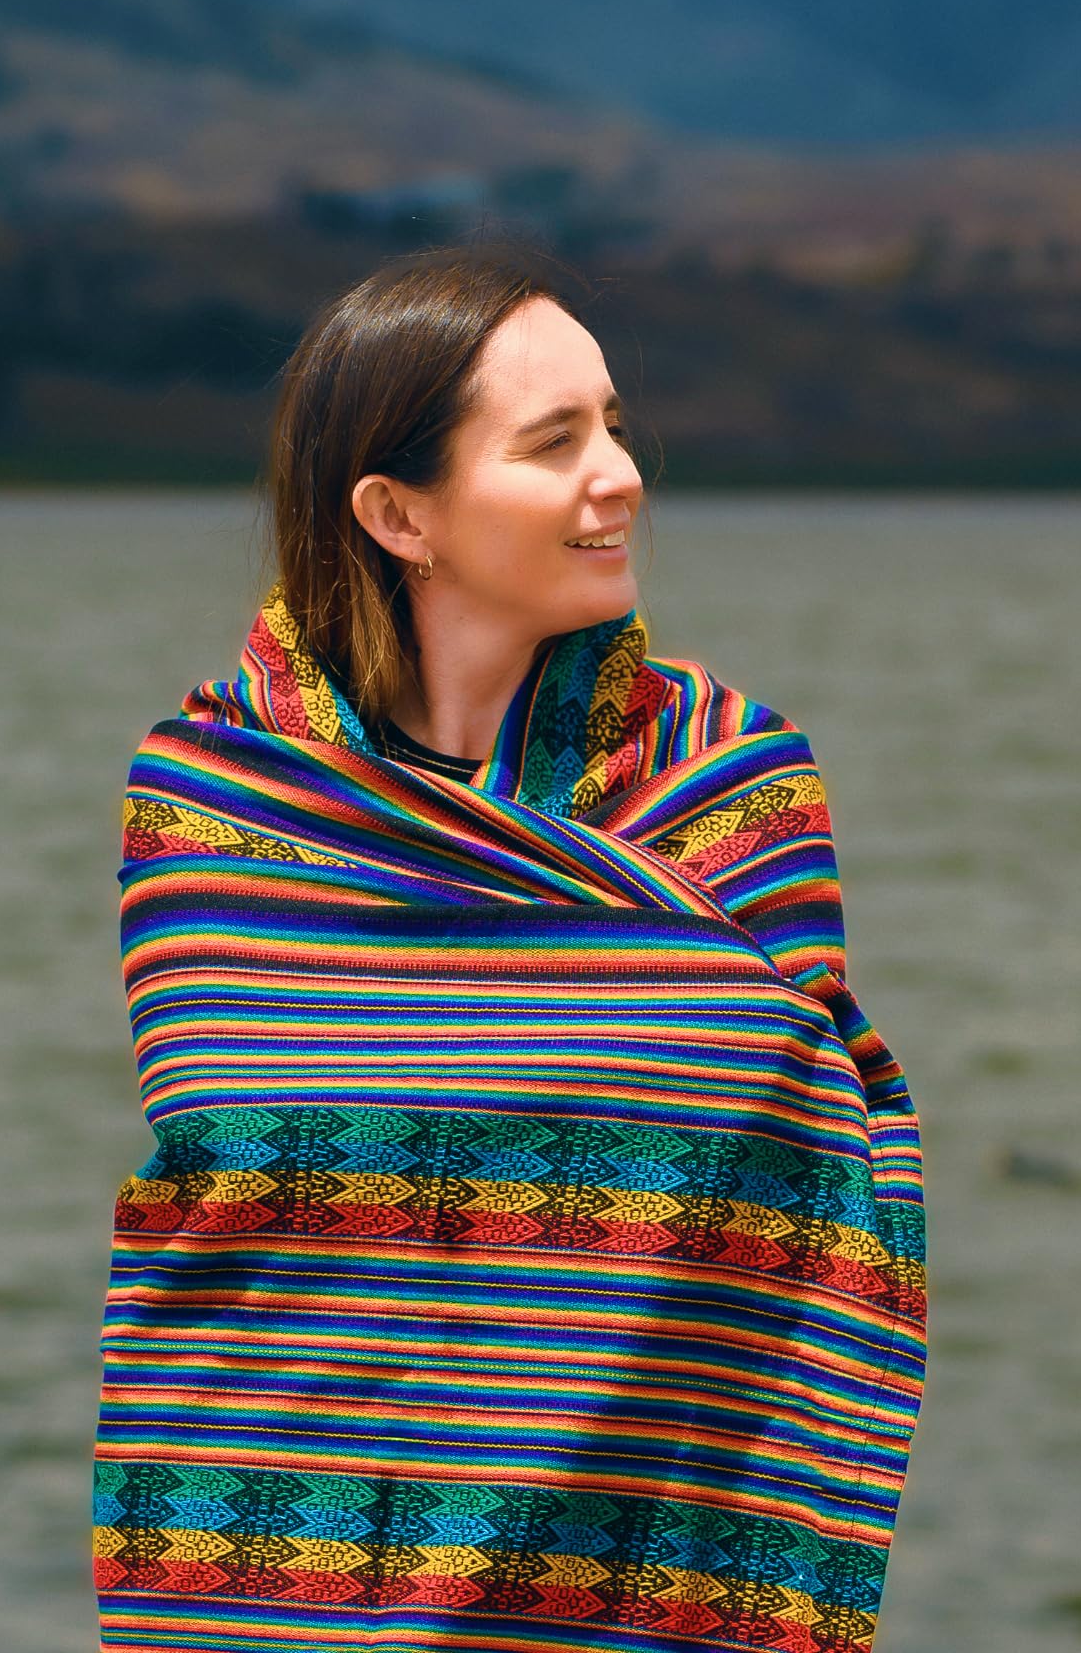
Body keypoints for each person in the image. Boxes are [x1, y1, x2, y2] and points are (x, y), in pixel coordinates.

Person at [92, 246, 927, 1653]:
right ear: (399, 512)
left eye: (615, 424)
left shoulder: (733, 784)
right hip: (283, 1578)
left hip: (642, 1582)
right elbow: (236, 1191)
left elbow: (806, 1170)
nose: (621, 475)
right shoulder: (214, 796)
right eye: (557, 443)